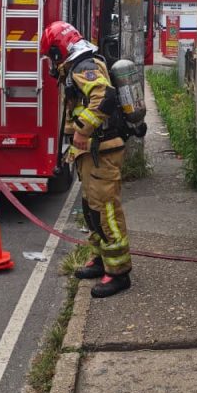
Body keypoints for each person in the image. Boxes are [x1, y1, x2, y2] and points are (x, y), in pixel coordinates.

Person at [41, 20, 132, 298]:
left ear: (58, 49)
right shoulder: (78, 65)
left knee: (105, 211)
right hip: (91, 152)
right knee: (91, 209)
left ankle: (119, 273)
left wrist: (82, 130)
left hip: (101, 149)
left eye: (51, 55)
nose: (52, 62)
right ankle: (101, 260)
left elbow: (104, 97)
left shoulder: (84, 66)